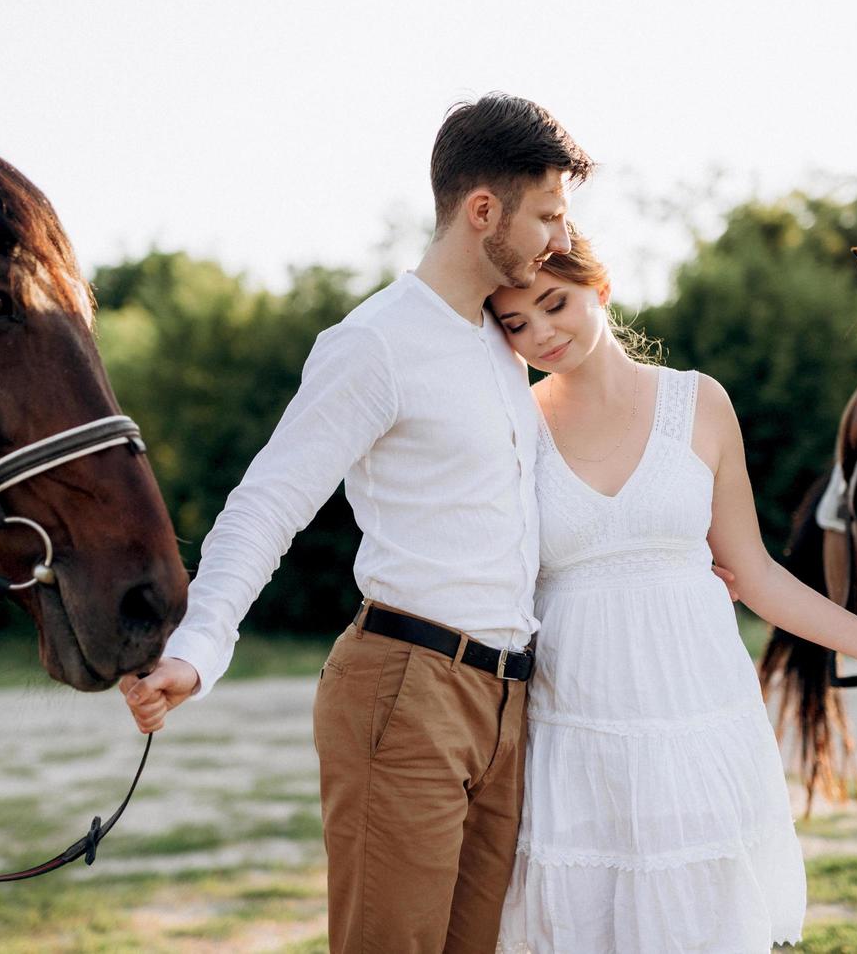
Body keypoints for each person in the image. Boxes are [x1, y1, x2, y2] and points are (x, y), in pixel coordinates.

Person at [120, 94, 592, 954]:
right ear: (484, 211)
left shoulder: (499, 341)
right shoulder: (373, 342)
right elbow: (269, 499)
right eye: (549, 215)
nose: (559, 239)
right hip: (407, 689)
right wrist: (197, 646)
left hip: (506, 698)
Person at [486, 227, 857, 953]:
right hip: (572, 724)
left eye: (555, 304)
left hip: (695, 713)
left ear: (600, 288)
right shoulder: (513, 425)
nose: (541, 333)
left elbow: (758, 575)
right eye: (517, 323)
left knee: (699, 921)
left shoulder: (698, 404)